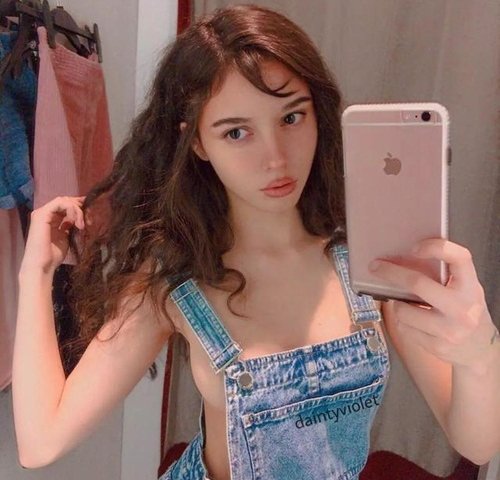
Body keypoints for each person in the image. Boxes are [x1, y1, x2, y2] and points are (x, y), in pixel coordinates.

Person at [12, 3, 500, 479]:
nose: (276, 158)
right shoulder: (174, 280)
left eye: (291, 118)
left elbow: (477, 443)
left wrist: (480, 351)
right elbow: (42, 442)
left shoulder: (370, 262)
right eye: (237, 133)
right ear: (197, 142)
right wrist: (35, 274)